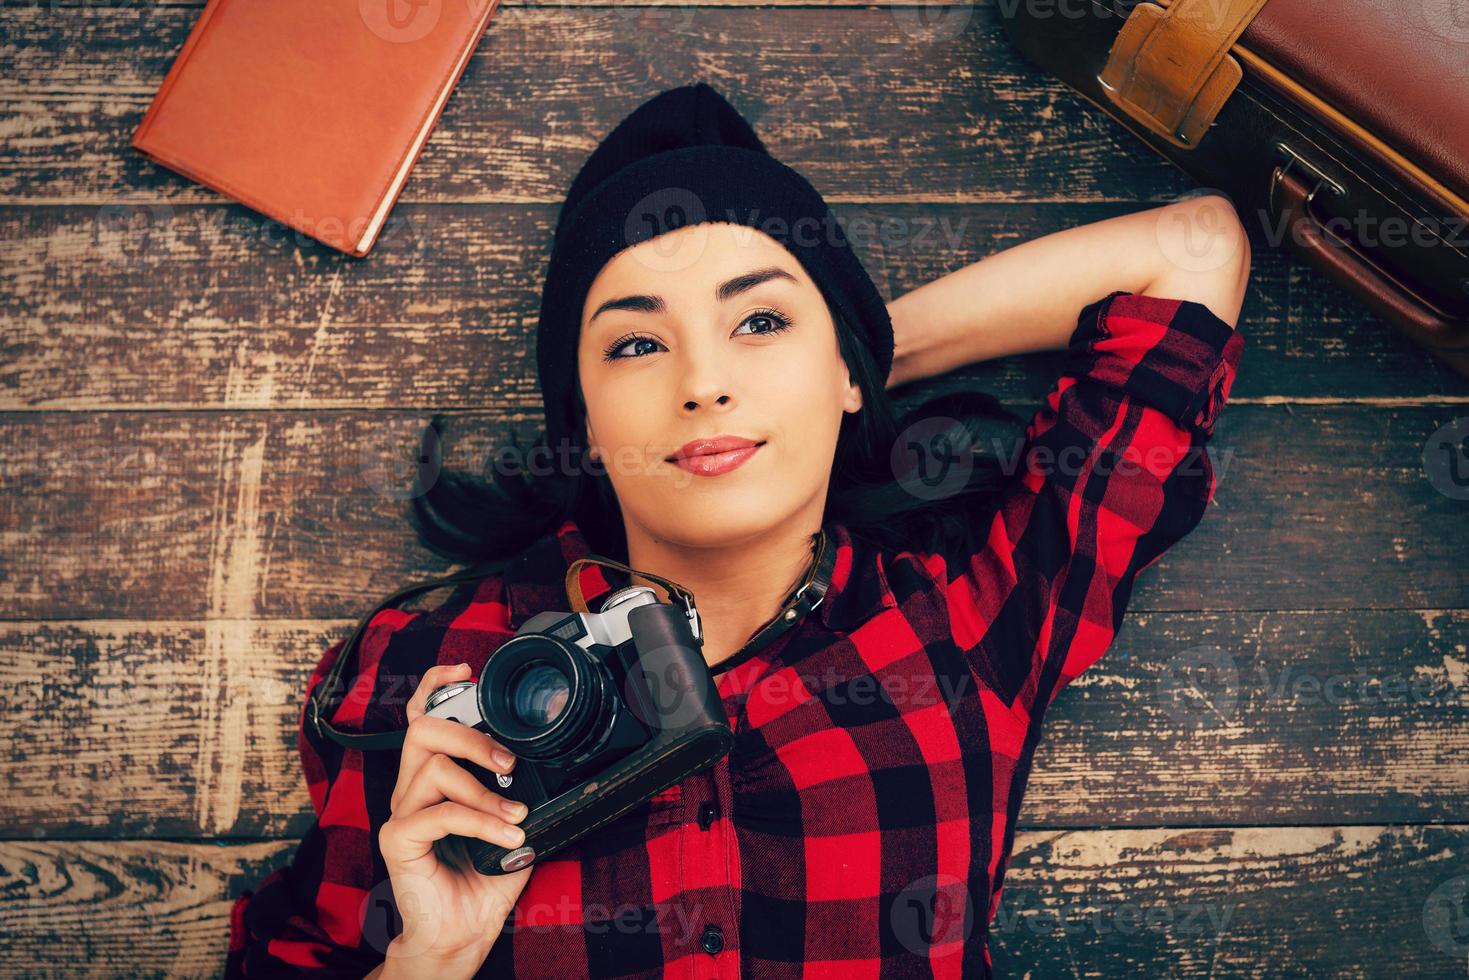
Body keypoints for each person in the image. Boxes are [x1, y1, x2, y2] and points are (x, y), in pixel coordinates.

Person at [225, 82, 1248, 978]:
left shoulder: (970, 614)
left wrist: (845, 366)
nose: (703, 381)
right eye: (634, 342)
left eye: (759, 322)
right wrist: (426, 959)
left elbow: (1190, 251)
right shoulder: (424, 683)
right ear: (576, 420)